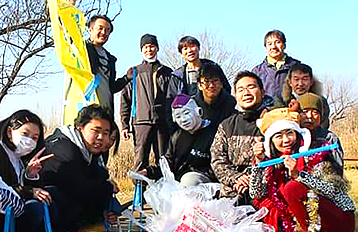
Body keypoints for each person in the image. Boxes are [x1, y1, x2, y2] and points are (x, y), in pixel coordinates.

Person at [250, 108, 355, 232]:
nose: (286, 140)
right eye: (278, 136)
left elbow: (332, 190)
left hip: (339, 221)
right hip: (304, 228)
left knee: (292, 188)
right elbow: (256, 193)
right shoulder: (271, 163)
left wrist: (298, 175)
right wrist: (257, 164)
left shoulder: (313, 154)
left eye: (289, 133)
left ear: (298, 134)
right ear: (270, 141)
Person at [41, 104, 120, 232]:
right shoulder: (66, 150)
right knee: (82, 196)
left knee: (105, 199)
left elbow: (97, 176)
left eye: (106, 133)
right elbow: (80, 188)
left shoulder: (85, 149)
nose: (101, 138)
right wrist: (108, 187)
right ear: (80, 127)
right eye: (96, 131)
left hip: (62, 198)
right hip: (43, 201)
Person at [0, 109, 54, 232]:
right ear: (10, 131)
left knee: (49, 199)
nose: (29, 141)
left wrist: (31, 174)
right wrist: (30, 191)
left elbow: (25, 187)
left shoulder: (19, 158)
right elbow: (0, 186)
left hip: (12, 209)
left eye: (34, 138)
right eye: (25, 134)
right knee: (35, 208)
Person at [211, 71, 273, 201]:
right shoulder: (227, 125)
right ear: (236, 96)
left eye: (251, 87)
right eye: (240, 89)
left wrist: (252, 179)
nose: (246, 93)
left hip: (266, 191)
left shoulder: (274, 122)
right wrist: (236, 178)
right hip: (232, 191)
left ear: (262, 92)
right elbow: (217, 160)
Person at [120, 34, 173, 171]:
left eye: (152, 46)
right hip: (141, 123)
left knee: (163, 160)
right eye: (145, 47)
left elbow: (174, 98)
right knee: (140, 160)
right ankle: (139, 192)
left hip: (162, 123)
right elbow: (125, 98)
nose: (149, 50)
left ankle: (162, 191)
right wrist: (125, 125)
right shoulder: (134, 72)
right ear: (141, 50)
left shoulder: (167, 72)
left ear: (157, 48)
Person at [141, 94, 215, 185]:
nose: (183, 120)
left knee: (189, 180)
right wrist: (147, 172)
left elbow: (219, 165)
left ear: (198, 112)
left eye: (186, 113)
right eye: (178, 117)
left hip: (206, 184)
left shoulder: (215, 133)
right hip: (180, 185)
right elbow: (168, 164)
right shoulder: (177, 136)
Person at [298, 92, 343, 172]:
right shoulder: (291, 137)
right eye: (304, 112)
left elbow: (338, 170)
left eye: (315, 112)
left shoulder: (329, 138)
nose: (309, 116)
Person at [276, 63, 330, 128]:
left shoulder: (321, 101)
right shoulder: (281, 100)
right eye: (296, 79)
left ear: (311, 82)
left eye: (305, 79)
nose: (300, 84)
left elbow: (324, 125)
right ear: (290, 82)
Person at [252, 30, 300, 101]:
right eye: (269, 44)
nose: (273, 47)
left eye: (277, 42)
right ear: (265, 48)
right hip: (264, 111)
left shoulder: (297, 67)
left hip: (291, 110)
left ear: (284, 45)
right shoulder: (257, 71)